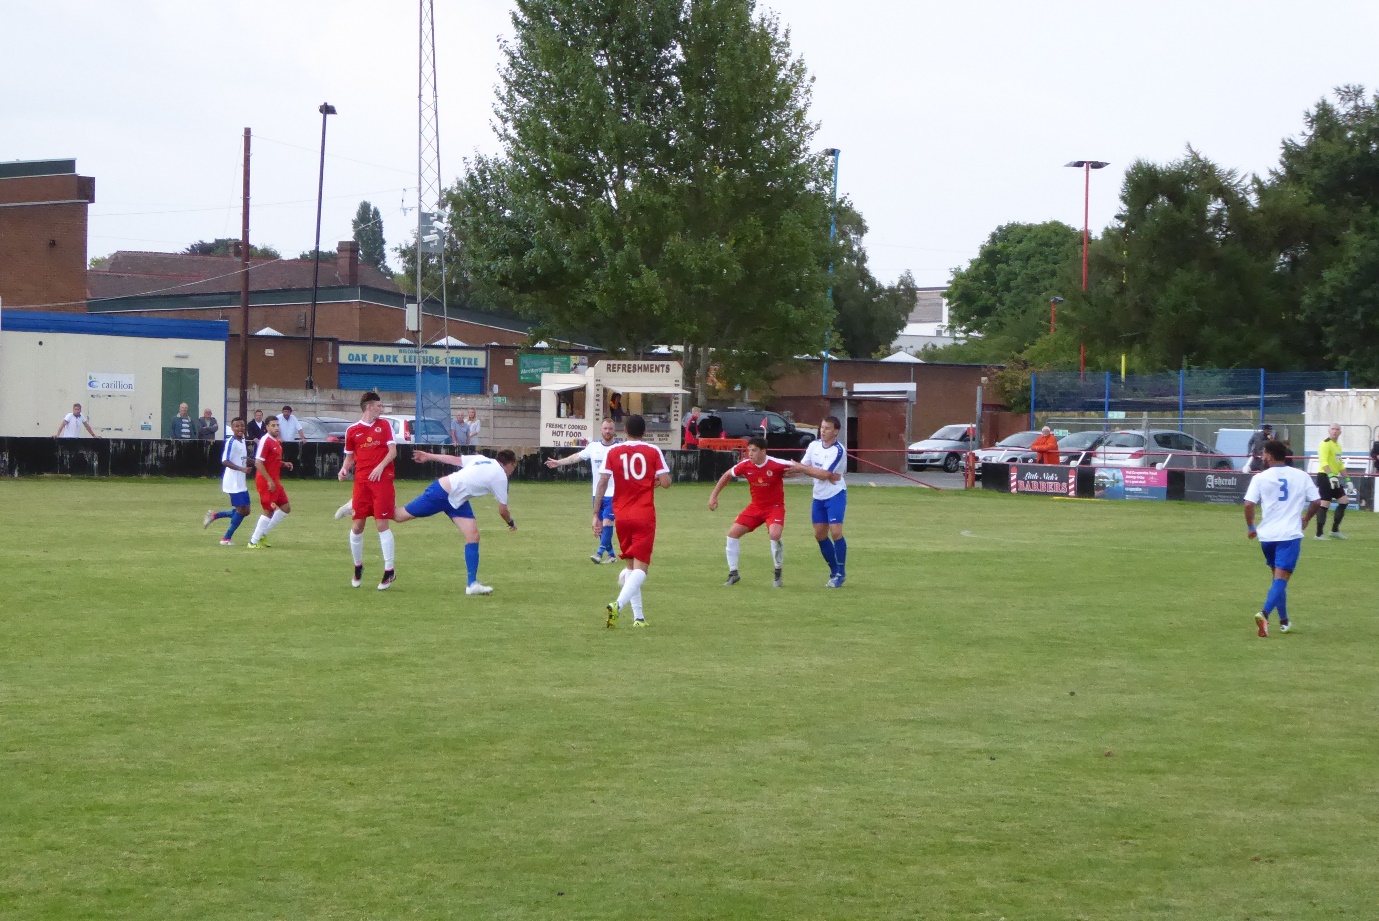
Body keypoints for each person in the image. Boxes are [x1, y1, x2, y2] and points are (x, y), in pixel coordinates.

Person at [341, 449, 519, 595]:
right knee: (398, 516)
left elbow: (454, 460)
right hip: (441, 493)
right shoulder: (500, 476)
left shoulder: (482, 459)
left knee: (473, 536)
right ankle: (359, 504)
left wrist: (428, 456)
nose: (512, 471)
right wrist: (510, 522)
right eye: (513, 467)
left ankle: (471, 585)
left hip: (458, 500)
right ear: (509, 464)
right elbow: (502, 510)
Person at [707, 436, 838, 588]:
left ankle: (777, 570)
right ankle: (733, 573)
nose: (750, 454)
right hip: (755, 507)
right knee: (732, 534)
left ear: (763, 451)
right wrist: (713, 496)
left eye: (754, 450)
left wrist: (826, 474)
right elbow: (727, 475)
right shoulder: (745, 465)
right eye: (749, 450)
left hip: (774, 508)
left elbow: (801, 468)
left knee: (775, 535)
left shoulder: (777, 464)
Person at [596, 414, 670, 628]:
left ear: (625, 431)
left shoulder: (613, 451)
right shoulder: (652, 450)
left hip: (621, 514)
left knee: (630, 565)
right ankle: (617, 605)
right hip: (643, 514)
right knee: (641, 569)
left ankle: (638, 618)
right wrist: (654, 481)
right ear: (645, 432)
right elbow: (666, 482)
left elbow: (602, 482)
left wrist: (595, 514)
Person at [1244, 440, 1322, 636]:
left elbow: (1248, 504)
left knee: (1277, 579)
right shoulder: (1301, 476)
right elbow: (1316, 501)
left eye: (1264, 453)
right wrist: (1306, 519)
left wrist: (1251, 526)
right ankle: (1264, 613)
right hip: (1289, 535)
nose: (1262, 457)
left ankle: (1284, 621)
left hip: (1267, 536)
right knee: (1282, 579)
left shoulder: (1260, 477)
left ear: (1270, 456)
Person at [336, 391, 398, 590]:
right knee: (357, 526)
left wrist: (380, 467)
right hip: (362, 482)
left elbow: (392, 452)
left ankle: (389, 570)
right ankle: (358, 566)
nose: (382, 409)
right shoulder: (352, 430)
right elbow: (349, 457)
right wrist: (344, 469)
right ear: (369, 407)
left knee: (382, 523)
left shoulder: (385, 425)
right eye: (379, 406)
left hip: (382, 481)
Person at [545, 418, 621, 563]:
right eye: (605, 428)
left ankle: (599, 553)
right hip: (597, 493)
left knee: (607, 522)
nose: (607, 431)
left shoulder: (620, 448)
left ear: (614, 430)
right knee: (599, 525)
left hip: (614, 492)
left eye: (610, 428)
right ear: (601, 429)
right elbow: (576, 457)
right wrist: (559, 462)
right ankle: (611, 555)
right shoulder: (593, 447)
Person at [799, 416, 849, 587]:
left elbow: (823, 474)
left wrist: (805, 469)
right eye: (822, 427)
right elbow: (803, 467)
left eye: (827, 428)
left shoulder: (838, 450)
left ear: (836, 431)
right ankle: (834, 570)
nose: (823, 431)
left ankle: (841, 572)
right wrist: (782, 470)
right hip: (818, 496)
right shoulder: (814, 445)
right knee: (819, 534)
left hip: (835, 494)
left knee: (835, 532)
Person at [246, 417, 294, 548]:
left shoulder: (276, 441)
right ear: (267, 427)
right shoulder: (265, 440)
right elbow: (258, 462)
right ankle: (253, 542)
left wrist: (283, 464)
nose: (276, 428)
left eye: (277, 425)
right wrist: (268, 480)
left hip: (275, 481)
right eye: (273, 425)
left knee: (286, 508)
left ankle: (263, 533)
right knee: (268, 510)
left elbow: (272, 460)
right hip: (266, 481)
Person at [204, 417, 252, 545]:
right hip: (233, 482)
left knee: (246, 511)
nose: (240, 428)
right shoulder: (231, 442)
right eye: (237, 426)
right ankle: (226, 539)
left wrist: (256, 462)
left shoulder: (242, 441)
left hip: (241, 482)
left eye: (242, 425)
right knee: (241, 511)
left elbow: (243, 458)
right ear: (232, 428)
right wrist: (242, 469)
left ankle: (215, 515)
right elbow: (225, 461)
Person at [1314, 423, 1350, 540]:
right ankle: (1319, 534)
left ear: (1340, 432)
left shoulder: (1337, 446)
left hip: (1333, 477)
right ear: (1329, 431)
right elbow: (1323, 462)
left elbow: (1340, 465)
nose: (1335, 431)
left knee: (1344, 501)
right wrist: (1330, 476)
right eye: (1333, 429)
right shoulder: (1325, 444)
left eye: (1337, 429)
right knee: (1325, 503)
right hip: (1325, 476)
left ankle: (1334, 530)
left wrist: (1348, 480)